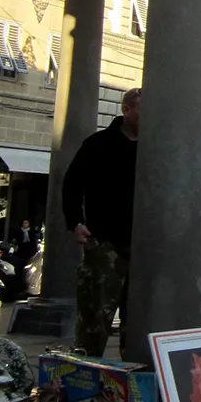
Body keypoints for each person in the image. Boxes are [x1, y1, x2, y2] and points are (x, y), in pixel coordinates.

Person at [62, 87, 141, 357]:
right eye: (143, 108)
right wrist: (75, 222)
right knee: (94, 320)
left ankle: (134, 380)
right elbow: (72, 184)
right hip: (106, 243)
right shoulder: (98, 144)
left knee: (140, 323)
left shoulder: (155, 148)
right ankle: (85, 378)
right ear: (127, 110)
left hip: (144, 246)